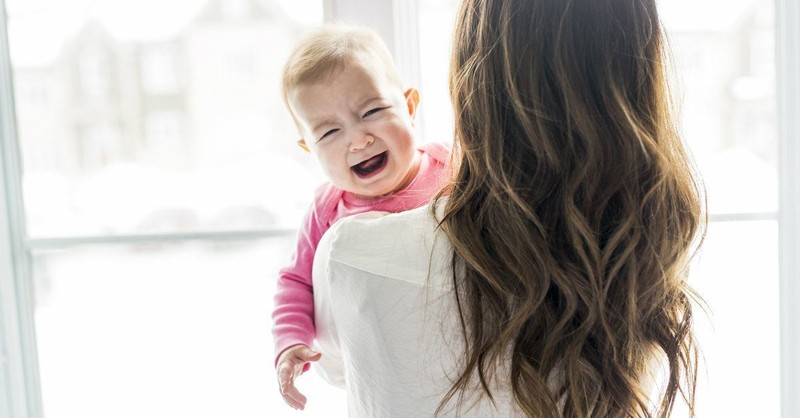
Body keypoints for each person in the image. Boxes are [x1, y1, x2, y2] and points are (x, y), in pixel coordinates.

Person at [310, 0, 706, 416]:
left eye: (373, 111)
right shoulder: (640, 260)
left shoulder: (354, 253)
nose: (357, 139)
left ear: (470, 80)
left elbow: (332, 367)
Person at [271, 24, 451, 410]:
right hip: (384, 374)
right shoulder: (327, 209)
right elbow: (296, 281)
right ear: (309, 149)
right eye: (329, 133)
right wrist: (291, 342)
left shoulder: (452, 170)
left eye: (372, 111)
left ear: (410, 107)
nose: (358, 139)